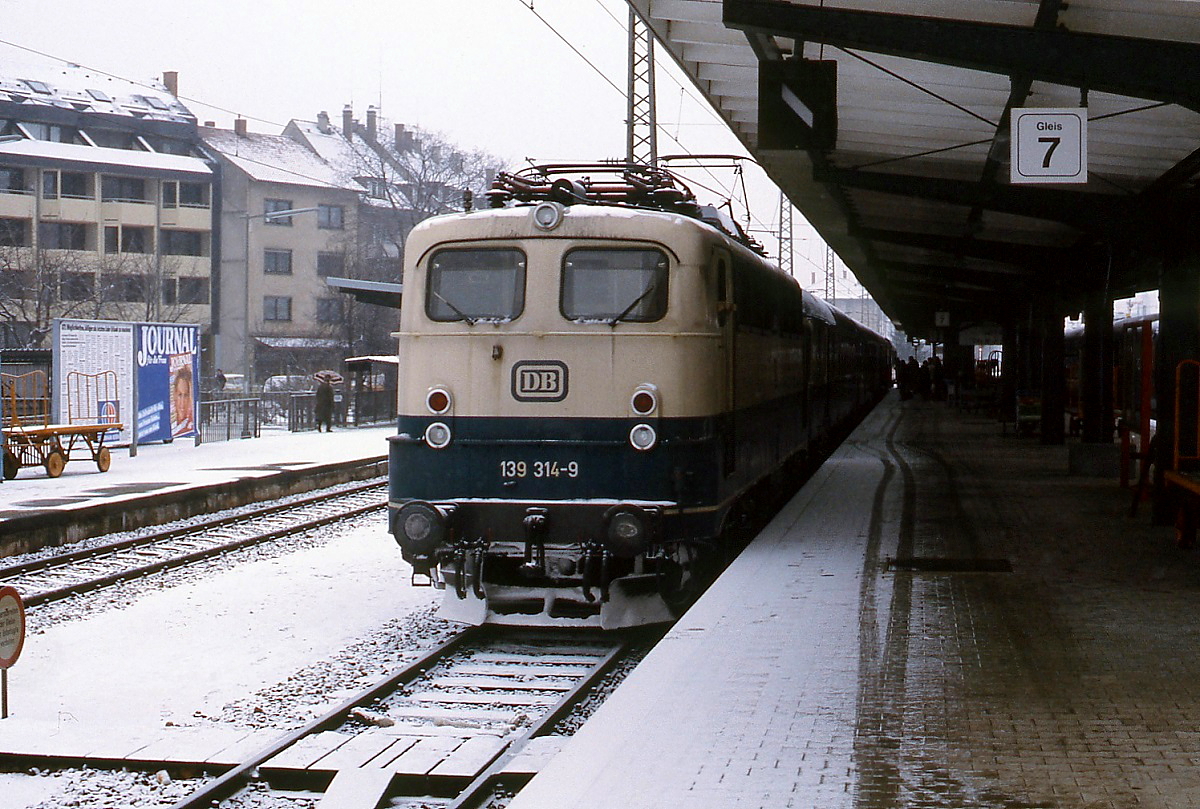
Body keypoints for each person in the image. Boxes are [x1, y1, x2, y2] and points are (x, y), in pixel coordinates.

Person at [171, 366, 195, 437]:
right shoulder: (171, 425)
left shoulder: (190, 425)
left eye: (186, 395)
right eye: (179, 395)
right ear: (175, 395)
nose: (182, 402)